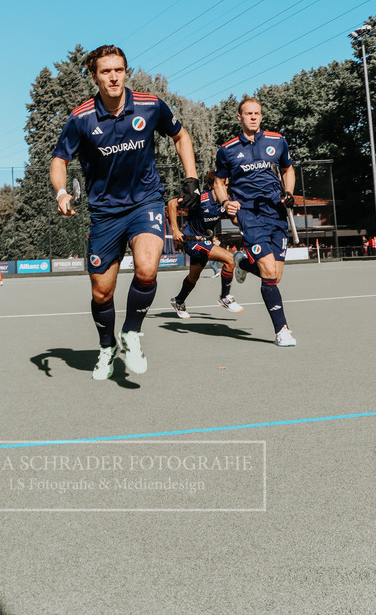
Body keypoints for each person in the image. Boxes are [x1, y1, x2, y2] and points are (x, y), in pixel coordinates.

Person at [50, 44, 200, 380]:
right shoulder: (81, 118)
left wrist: (191, 177)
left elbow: (181, 135)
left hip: (145, 201)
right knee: (101, 292)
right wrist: (61, 192)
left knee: (147, 270)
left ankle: (132, 333)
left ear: (125, 71)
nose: (113, 77)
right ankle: (107, 346)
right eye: (105, 71)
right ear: (94, 76)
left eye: (118, 69)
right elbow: (59, 159)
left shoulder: (149, 105)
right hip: (104, 213)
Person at [213, 97, 297, 347]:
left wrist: (289, 193)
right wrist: (225, 202)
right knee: (269, 273)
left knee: (275, 276)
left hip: (276, 213)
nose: (253, 117)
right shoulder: (227, 149)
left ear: (261, 116)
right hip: (249, 215)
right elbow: (218, 182)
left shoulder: (277, 140)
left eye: (257, 113)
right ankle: (282, 330)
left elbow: (288, 169)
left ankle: (241, 261)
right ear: (239, 117)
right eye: (248, 113)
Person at [166, 170, 242, 319]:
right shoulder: (200, 197)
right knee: (230, 259)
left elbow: (234, 220)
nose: (226, 188)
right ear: (214, 184)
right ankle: (225, 297)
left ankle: (179, 300)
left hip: (204, 242)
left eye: (227, 185)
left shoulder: (225, 200)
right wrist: (175, 229)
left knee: (193, 278)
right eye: (223, 185)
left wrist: (254, 222)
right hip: (192, 242)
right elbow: (171, 203)